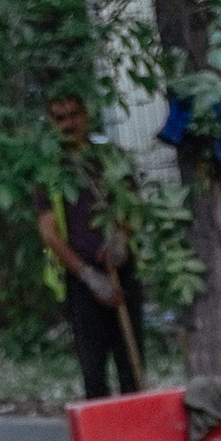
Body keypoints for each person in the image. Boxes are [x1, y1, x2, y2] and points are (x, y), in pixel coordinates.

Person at [34, 91, 146, 400]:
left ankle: (135, 430)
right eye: (60, 118)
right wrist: (88, 276)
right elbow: (49, 232)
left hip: (121, 271)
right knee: (93, 369)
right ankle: (103, 436)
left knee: (132, 364)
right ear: (52, 123)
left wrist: (121, 239)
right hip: (82, 280)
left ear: (86, 115)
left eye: (74, 114)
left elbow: (133, 206)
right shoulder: (50, 171)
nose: (69, 123)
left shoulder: (110, 158)